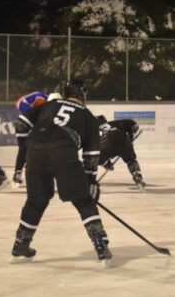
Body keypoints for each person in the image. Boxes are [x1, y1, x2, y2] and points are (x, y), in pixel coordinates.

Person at [9, 79, 112, 267]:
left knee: (36, 201)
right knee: (83, 201)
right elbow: (92, 154)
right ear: (83, 95)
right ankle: (100, 244)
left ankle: (20, 245)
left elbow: (21, 122)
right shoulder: (88, 116)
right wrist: (90, 181)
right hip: (62, 152)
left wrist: (27, 146)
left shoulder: (51, 104)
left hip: (35, 152)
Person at [97, 115, 148, 190]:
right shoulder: (113, 123)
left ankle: (89, 181)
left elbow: (94, 150)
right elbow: (133, 124)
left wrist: (107, 163)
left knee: (97, 158)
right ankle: (137, 176)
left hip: (105, 144)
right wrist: (131, 137)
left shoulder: (95, 130)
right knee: (130, 160)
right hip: (123, 141)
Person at [12, 90, 49, 187]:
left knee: (24, 149)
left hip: (21, 121)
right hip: (27, 123)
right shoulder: (41, 98)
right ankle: (31, 172)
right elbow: (19, 102)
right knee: (34, 148)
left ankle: (18, 174)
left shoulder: (43, 100)